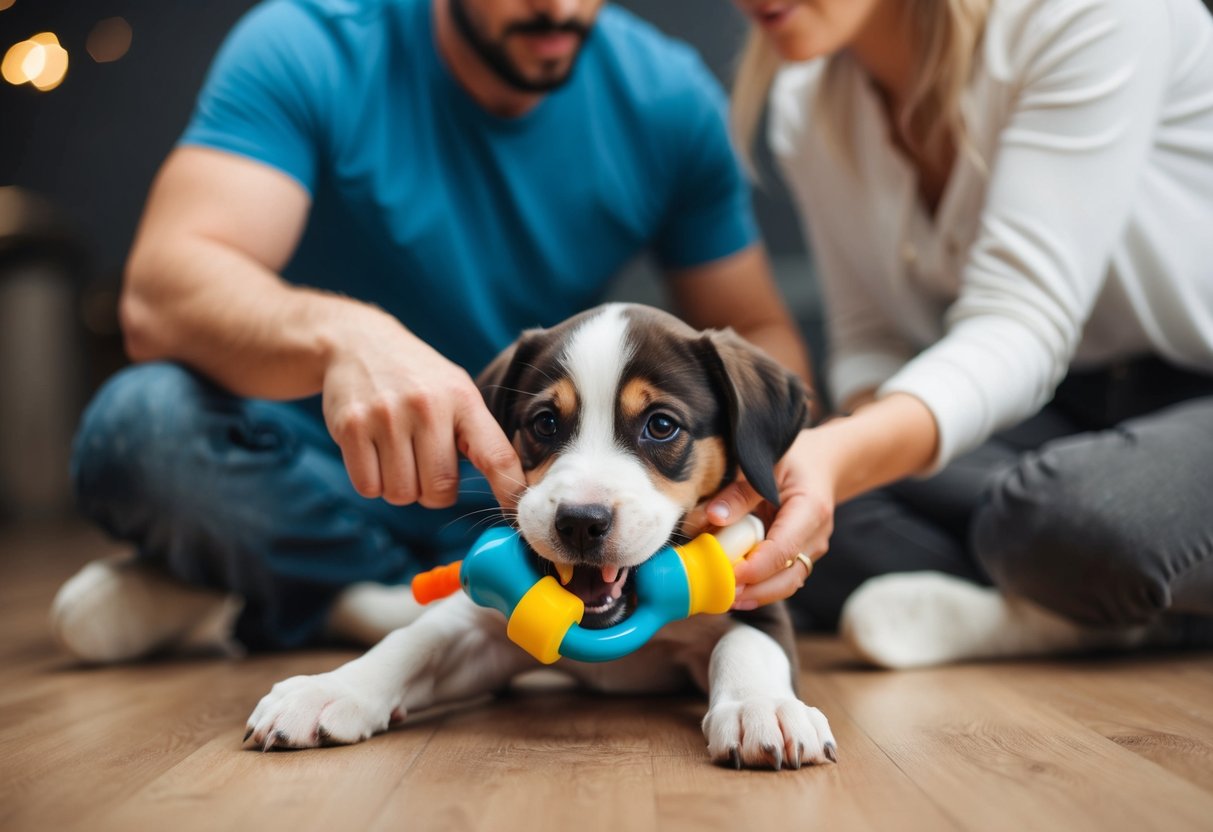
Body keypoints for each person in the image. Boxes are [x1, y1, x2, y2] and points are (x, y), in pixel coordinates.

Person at [51, 0, 813, 662]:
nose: (558, 7)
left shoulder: (665, 97)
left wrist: (758, 478)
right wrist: (345, 338)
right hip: (304, 475)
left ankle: (263, 586)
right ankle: (411, 597)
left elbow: (756, 328)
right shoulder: (309, 45)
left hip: (523, 499)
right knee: (140, 428)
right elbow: (158, 293)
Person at [710, 0, 1213, 653]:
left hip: (1191, 386)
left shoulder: (1089, 14)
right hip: (1063, 408)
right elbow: (870, 337)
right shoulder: (807, 101)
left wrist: (841, 455)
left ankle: (1096, 593)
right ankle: (1080, 598)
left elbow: (1021, 323)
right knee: (808, 518)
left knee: (1080, 517)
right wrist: (840, 467)